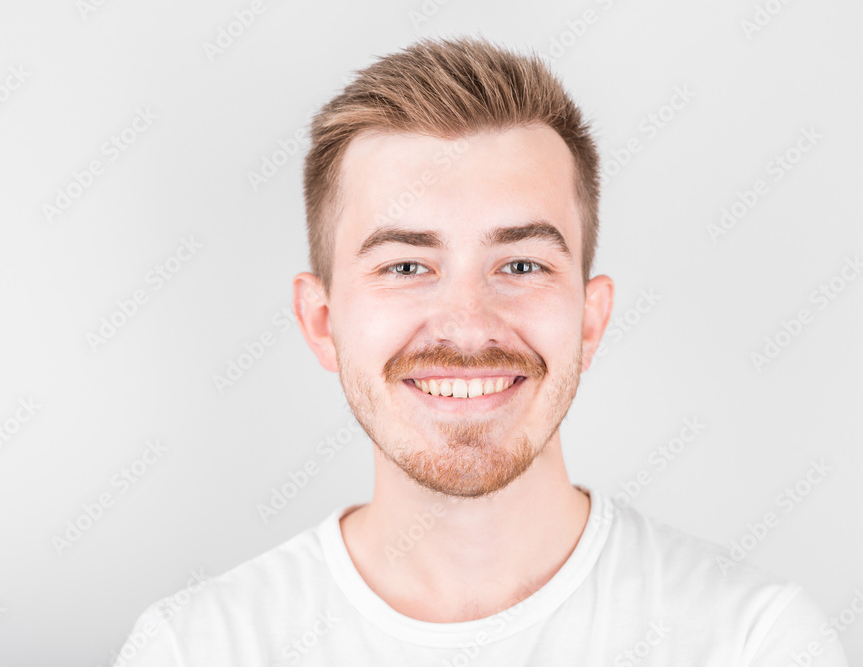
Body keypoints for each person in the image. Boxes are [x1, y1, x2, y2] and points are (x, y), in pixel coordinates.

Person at [117, 36, 849, 665]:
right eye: (407, 266)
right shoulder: (196, 648)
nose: (467, 327)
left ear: (590, 320)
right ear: (321, 321)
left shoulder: (753, 643)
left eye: (521, 265)